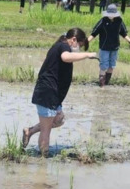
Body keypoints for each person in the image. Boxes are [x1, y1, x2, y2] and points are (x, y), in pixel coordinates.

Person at [22, 28, 99, 156]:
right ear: (73, 40)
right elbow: (65, 57)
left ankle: (29, 131)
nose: (79, 48)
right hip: (47, 93)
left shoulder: (62, 45)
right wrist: (87, 55)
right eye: (79, 45)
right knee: (46, 131)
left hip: (54, 94)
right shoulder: (63, 46)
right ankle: (43, 162)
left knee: (59, 119)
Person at [90, 3, 130, 87]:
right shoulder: (103, 21)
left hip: (115, 47)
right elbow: (94, 33)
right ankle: (101, 84)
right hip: (104, 47)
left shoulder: (119, 21)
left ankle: (106, 82)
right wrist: (86, 41)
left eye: (113, 14)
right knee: (104, 65)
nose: (111, 16)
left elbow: (123, 33)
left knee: (112, 65)